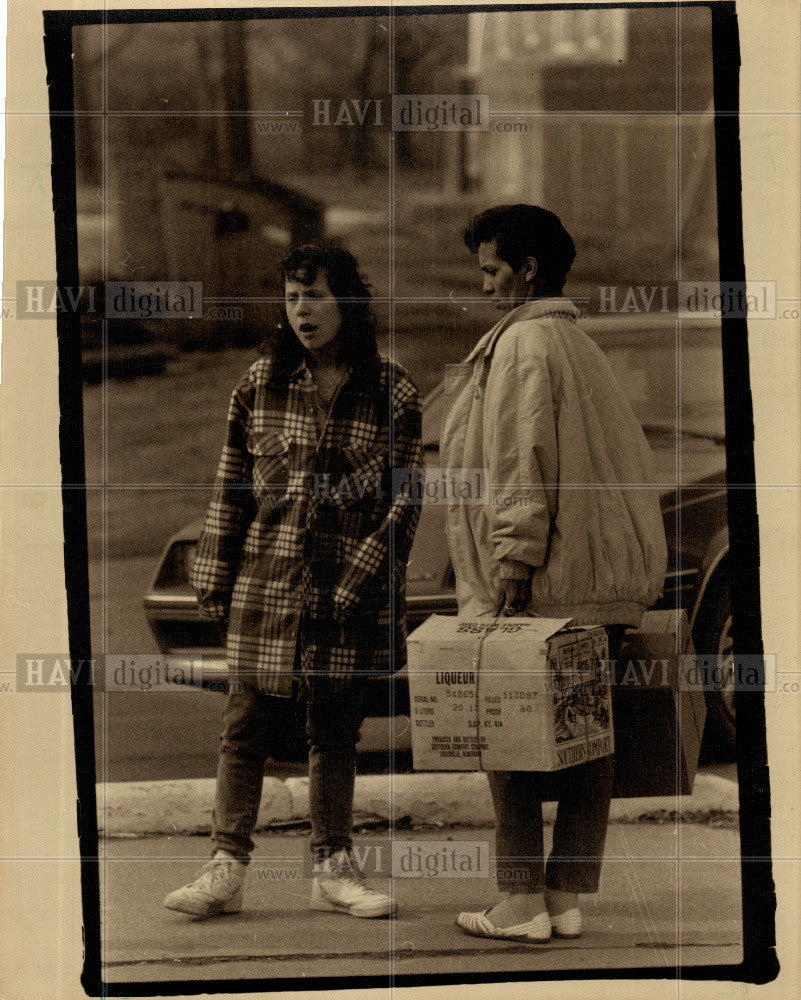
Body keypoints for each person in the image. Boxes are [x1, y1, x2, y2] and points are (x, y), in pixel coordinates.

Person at [164, 243, 423, 920]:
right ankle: (225, 867)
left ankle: (333, 869)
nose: (302, 310)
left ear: (348, 301)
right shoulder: (258, 384)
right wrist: (213, 577)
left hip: (351, 597)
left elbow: (404, 503)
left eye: (316, 294)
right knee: (243, 727)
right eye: (291, 297)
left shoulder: (391, 390)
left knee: (334, 733)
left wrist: (352, 587)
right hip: (266, 588)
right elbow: (231, 487)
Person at [442, 205, 667, 942]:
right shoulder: (574, 340)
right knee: (582, 741)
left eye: (489, 270)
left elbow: (518, 460)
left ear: (526, 270)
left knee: (503, 738)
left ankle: (517, 902)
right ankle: (564, 896)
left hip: (541, 583)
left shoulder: (524, 344)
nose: (482, 289)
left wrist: (511, 563)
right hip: (592, 583)